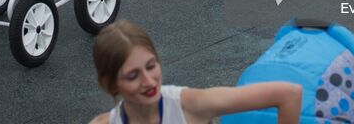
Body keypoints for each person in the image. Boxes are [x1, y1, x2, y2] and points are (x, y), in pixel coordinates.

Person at [89, 21, 303, 124]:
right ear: (110, 84)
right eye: (133, 76)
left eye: (151, 66)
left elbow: (289, 94)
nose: (148, 81)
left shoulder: (190, 105)